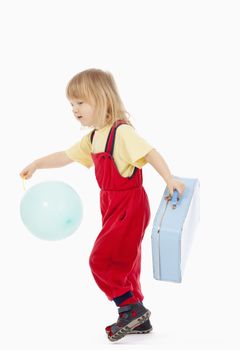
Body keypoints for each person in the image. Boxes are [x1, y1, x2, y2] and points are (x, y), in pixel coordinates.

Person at [20, 68, 185, 342]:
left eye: (80, 102)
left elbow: (150, 153)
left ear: (102, 98)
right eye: (71, 104)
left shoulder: (121, 133)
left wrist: (169, 178)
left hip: (129, 204)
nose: (74, 109)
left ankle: (129, 307)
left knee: (102, 260)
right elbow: (66, 155)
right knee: (125, 262)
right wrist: (38, 164)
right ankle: (138, 319)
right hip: (110, 204)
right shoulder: (95, 137)